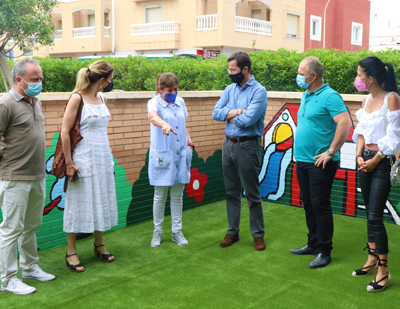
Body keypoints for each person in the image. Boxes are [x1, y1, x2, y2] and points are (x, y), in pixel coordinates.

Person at [0, 58, 55, 295]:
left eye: (41, 79)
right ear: (19, 80)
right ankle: (6, 279)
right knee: (11, 228)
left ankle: (30, 267)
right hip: (15, 177)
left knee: (31, 225)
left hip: (37, 175)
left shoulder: (35, 101)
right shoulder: (5, 104)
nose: (39, 83)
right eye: (35, 79)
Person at [290, 57, 351, 268]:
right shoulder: (306, 94)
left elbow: (345, 123)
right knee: (308, 203)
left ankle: (325, 251)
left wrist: (331, 152)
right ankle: (313, 243)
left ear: (312, 76)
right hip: (303, 161)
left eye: (301, 73)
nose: (298, 76)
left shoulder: (330, 96)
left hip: (321, 162)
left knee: (320, 205)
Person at [61, 60, 118, 272]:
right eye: (111, 80)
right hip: (83, 159)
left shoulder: (101, 97)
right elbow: (64, 132)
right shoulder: (77, 98)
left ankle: (99, 244)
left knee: (101, 199)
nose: (112, 83)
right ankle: (71, 251)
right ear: (102, 80)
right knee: (78, 203)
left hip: (103, 157)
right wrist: (69, 163)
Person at [352, 56, 400, 292]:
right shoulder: (365, 99)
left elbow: (394, 137)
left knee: (374, 217)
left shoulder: (391, 99)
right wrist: (359, 156)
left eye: (359, 75)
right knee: (369, 214)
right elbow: (361, 131)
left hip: (381, 163)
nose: (357, 79)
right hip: (365, 162)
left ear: (369, 78)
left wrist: (375, 160)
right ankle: (372, 260)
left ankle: (383, 270)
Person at [212, 51, 268, 251]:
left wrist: (229, 115)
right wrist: (237, 112)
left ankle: (258, 235)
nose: (230, 73)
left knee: (252, 193)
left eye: (233, 69)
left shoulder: (259, 91)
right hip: (228, 144)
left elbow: (249, 121)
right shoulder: (229, 89)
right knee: (231, 192)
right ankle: (232, 233)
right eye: (229, 69)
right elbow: (215, 113)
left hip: (248, 146)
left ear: (245, 69)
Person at [147, 73, 194, 247]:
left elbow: (182, 125)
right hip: (163, 154)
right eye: (170, 90)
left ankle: (177, 232)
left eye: (176, 89)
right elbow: (153, 117)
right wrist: (164, 125)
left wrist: (189, 142)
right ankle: (157, 233)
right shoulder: (153, 102)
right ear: (161, 89)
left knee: (177, 196)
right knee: (160, 196)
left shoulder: (180, 102)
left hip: (181, 153)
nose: (174, 92)